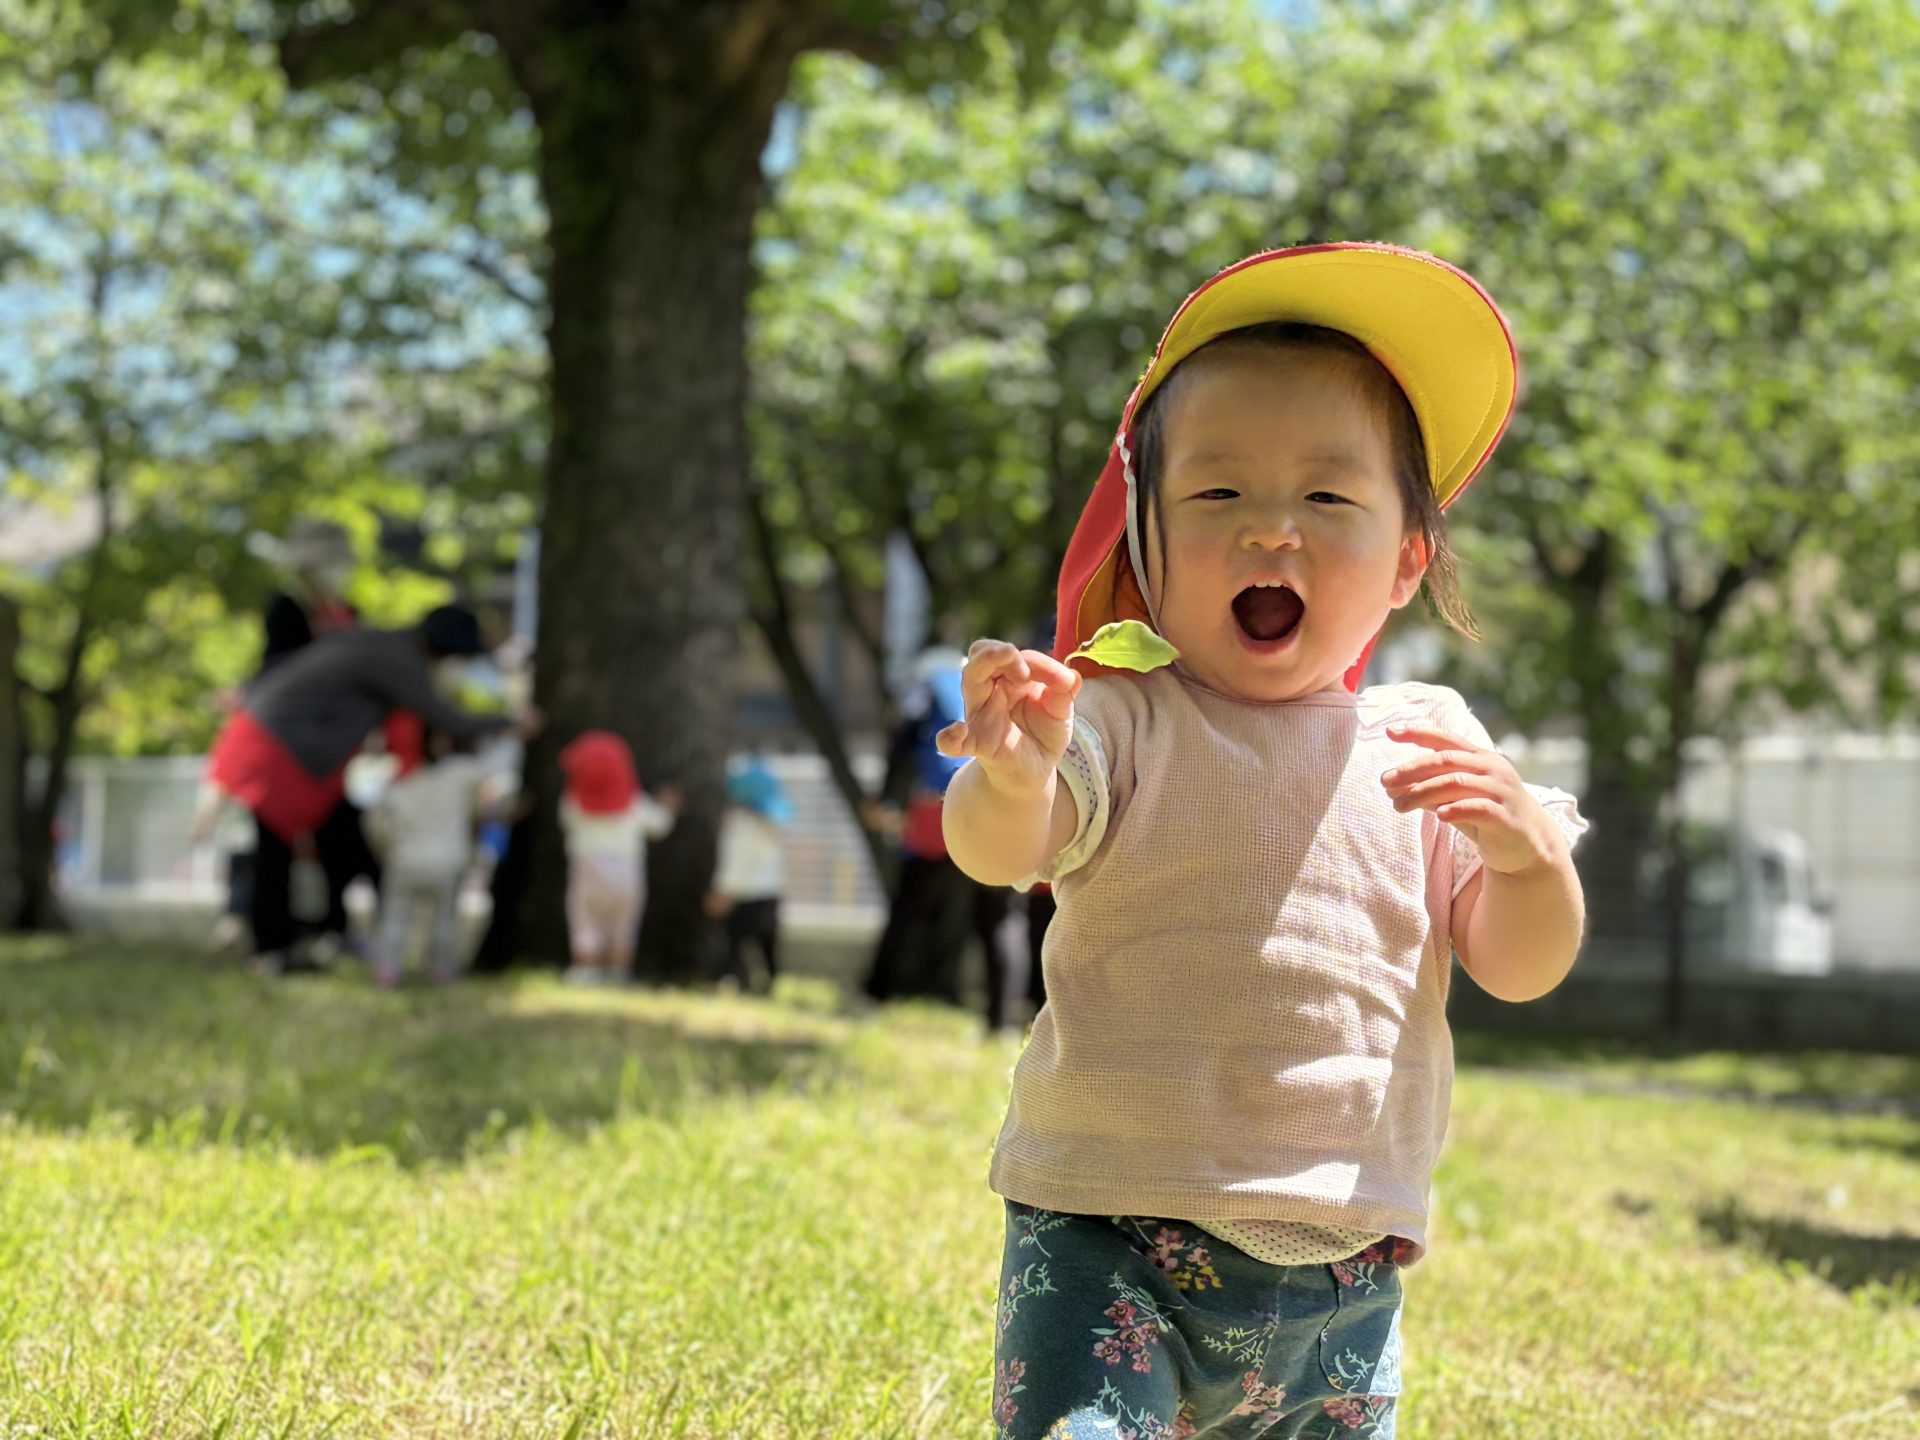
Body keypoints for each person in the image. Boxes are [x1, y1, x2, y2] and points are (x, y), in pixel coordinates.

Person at [938, 243, 1590, 1439]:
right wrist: (1013, 774)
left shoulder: (1426, 739)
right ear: (1143, 547)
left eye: (1328, 499)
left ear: (1408, 559)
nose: (1272, 532)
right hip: (1108, 1234)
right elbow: (1002, 846)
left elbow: (1519, 962)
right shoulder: (1124, 721)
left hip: (1347, 1264)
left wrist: (1528, 860)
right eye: (1217, 495)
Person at [199, 604, 537, 974]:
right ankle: (272, 949)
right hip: (278, 750)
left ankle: (323, 934)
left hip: (285, 746)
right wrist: (509, 723)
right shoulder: (398, 659)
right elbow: (443, 716)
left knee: (338, 842)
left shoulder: (383, 645)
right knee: (278, 852)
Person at [861, 646, 1029, 1033]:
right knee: (999, 919)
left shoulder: (926, 686)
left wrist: (885, 798)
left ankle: (874, 994)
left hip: (939, 810)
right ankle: (1002, 1020)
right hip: (996, 805)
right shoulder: (993, 687)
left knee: (908, 906)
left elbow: (904, 738)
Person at [365, 725, 488, 986]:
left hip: (404, 858)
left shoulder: (399, 780)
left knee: (395, 917)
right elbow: (482, 799)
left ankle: (388, 968)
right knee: (444, 921)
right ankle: (441, 968)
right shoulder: (462, 773)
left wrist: (387, 851)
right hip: (447, 861)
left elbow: (376, 823)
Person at [558, 730, 682, 986]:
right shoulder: (634, 802)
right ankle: (619, 972)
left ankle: (586, 969)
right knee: (624, 923)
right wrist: (667, 808)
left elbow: (566, 822)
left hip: (587, 868)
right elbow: (658, 825)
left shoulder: (572, 801)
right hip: (627, 871)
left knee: (586, 920)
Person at [704, 756, 792, 994]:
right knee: (767, 943)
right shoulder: (774, 824)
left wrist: (722, 891)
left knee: (735, 941)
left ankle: (731, 978)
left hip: (743, 894)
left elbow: (734, 861)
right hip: (771, 892)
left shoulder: (738, 825)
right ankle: (771, 979)